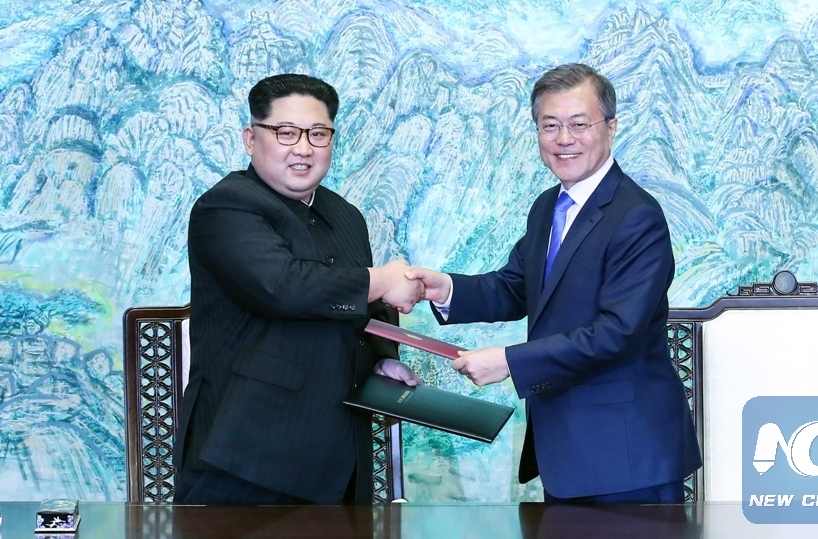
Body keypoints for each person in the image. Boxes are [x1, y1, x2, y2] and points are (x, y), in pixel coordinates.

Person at [407, 63, 702, 504]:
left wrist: (509, 362)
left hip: (626, 456)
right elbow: (517, 286)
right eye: (550, 126)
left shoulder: (637, 216)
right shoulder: (548, 205)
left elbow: (617, 332)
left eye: (579, 124)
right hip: (565, 451)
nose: (564, 139)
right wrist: (445, 288)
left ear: (611, 127)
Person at [173, 73, 423, 505]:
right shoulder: (227, 205)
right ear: (251, 138)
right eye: (286, 132)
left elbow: (365, 306)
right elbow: (284, 286)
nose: (304, 148)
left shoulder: (344, 214)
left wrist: (382, 359)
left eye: (318, 134)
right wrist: (383, 278)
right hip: (247, 455)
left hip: (338, 454)